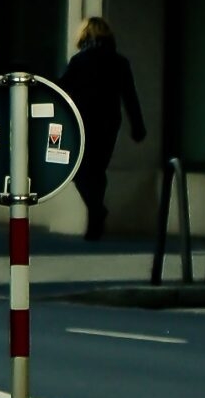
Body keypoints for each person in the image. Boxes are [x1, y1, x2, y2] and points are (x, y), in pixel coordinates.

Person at [60, 16, 146, 241]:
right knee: (97, 171)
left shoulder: (79, 61)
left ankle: (96, 211)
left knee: (78, 170)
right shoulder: (119, 62)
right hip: (109, 124)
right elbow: (130, 97)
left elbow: (61, 89)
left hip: (82, 122)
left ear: (85, 35)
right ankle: (95, 218)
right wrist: (138, 126)